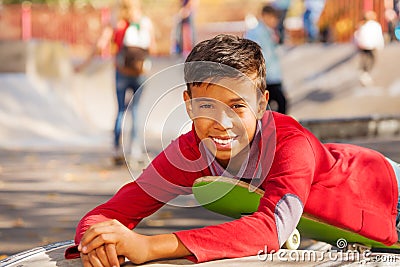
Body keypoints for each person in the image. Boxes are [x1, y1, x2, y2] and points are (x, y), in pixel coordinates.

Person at [65, 34, 399, 266]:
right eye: (207, 106)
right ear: (188, 105)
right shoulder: (191, 151)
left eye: (237, 107)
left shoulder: (290, 143)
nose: (222, 123)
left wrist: (149, 246)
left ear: (261, 104)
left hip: (386, 191)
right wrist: (97, 240)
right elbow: (112, 211)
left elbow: (272, 228)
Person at [245, 4, 287, 114]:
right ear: (265, 16)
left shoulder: (270, 31)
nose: (275, 21)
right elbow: (255, 54)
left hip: (272, 75)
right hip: (265, 76)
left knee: (278, 103)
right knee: (275, 103)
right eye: (273, 17)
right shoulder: (256, 32)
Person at [353, 10, 384, 86]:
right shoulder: (375, 25)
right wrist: (380, 45)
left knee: (364, 59)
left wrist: (357, 44)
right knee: (371, 60)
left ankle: (364, 73)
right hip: (370, 45)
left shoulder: (362, 25)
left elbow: (356, 35)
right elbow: (378, 36)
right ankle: (365, 74)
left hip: (363, 45)